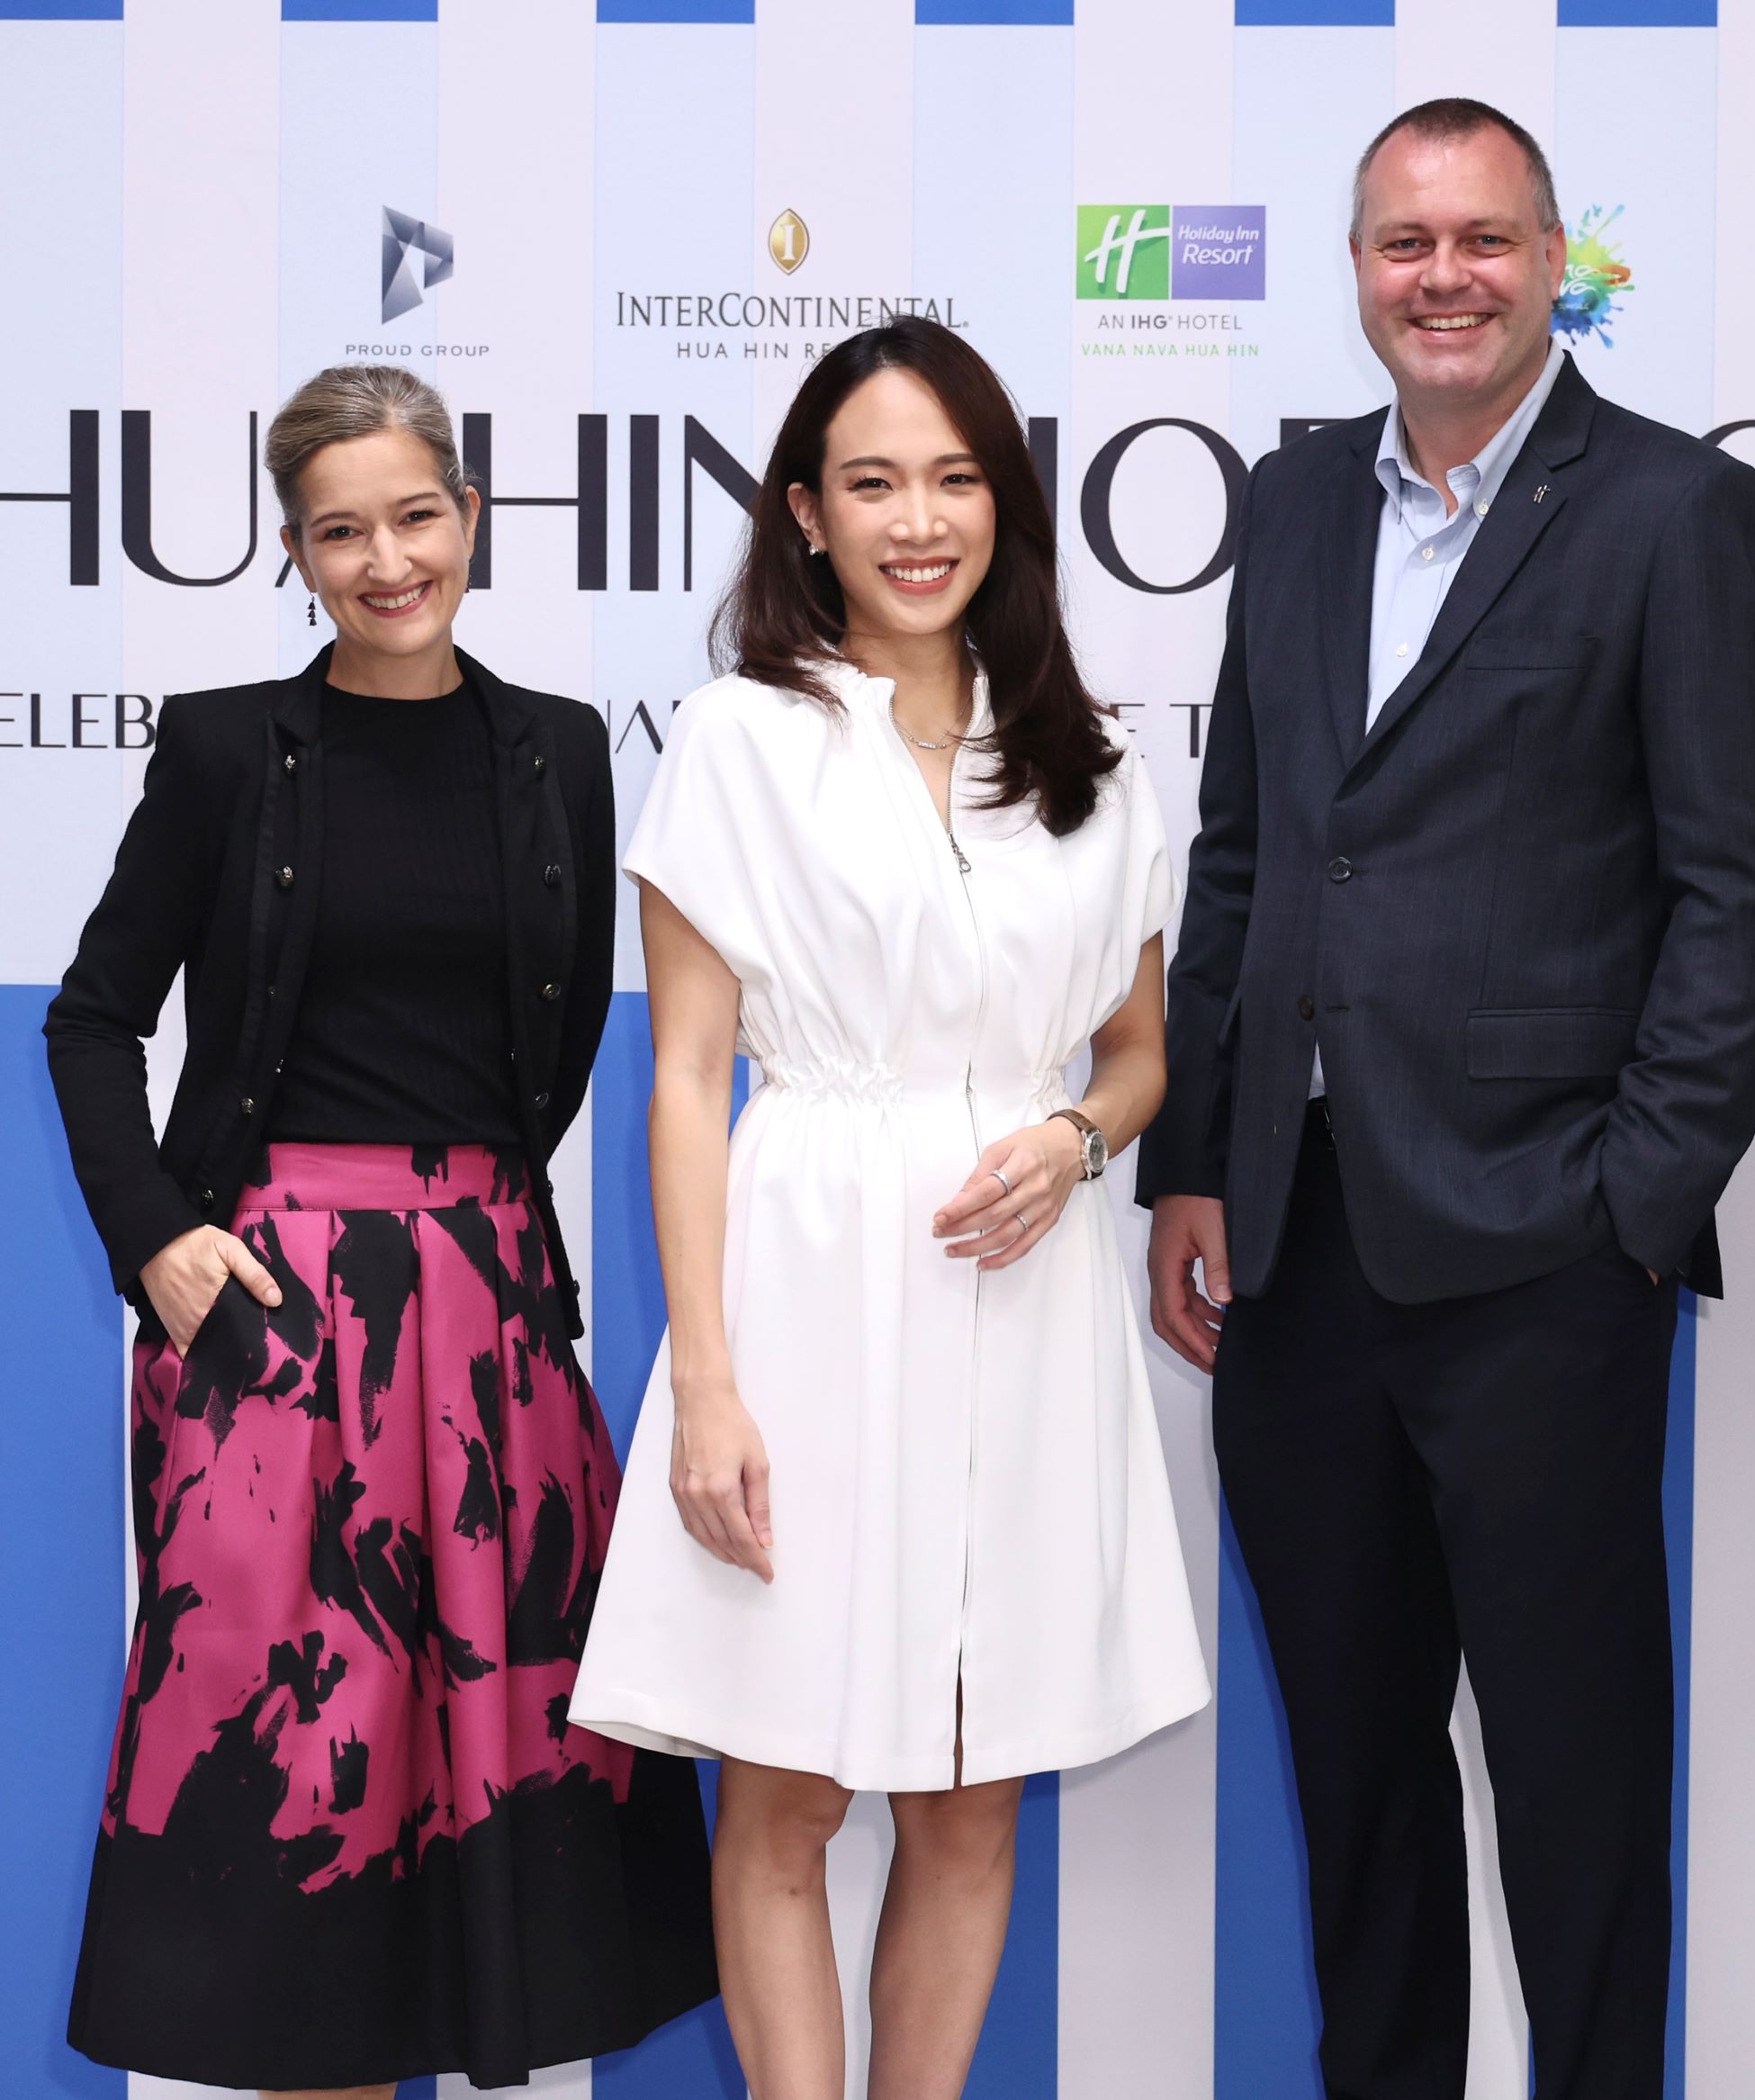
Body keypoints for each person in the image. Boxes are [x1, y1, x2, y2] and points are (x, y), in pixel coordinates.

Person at [1141, 97, 1755, 2100]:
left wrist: (1633, 1200)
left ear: (1553, 261)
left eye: (1485, 240)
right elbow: (1247, 853)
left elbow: (1738, 890)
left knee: (1574, 1786)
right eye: (1404, 242)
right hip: (1298, 1248)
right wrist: (1196, 1163)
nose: (1444, 278)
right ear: (1358, 269)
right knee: (1354, 1786)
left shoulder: (1674, 510)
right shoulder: (1294, 504)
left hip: (1545, 1251)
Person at [42, 365, 716, 2098]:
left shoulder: (558, 750)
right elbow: (93, 1017)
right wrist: (162, 1240)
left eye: (417, 515)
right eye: (341, 530)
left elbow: (548, 1051)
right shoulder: (225, 751)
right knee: (298, 1795)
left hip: (490, 1326)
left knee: (492, 1770)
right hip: (271, 1321)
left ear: (471, 516)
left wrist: (466, 1234)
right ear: (294, 550)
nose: (388, 559)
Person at [568, 317, 1210, 2100]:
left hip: (1024, 1303)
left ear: (1003, 501)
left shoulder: (1092, 759)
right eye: (872, 483)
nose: (917, 521)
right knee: (784, 1785)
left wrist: (1074, 1139)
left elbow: (1140, 1056)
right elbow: (686, 1079)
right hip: (806, 1289)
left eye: (953, 478)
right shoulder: (738, 741)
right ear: (806, 512)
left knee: (972, 1791)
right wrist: (707, 1386)